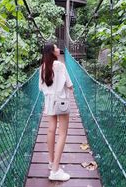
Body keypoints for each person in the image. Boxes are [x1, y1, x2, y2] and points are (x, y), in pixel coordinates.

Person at [39, 43, 73, 181]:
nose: (59, 49)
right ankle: (55, 171)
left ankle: (51, 161)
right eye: (56, 48)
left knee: (51, 130)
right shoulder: (60, 65)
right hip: (62, 101)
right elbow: (70, 85)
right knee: (63, 133)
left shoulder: (42, 68)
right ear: (52, 52)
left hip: (49, 102)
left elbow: (41, 88)